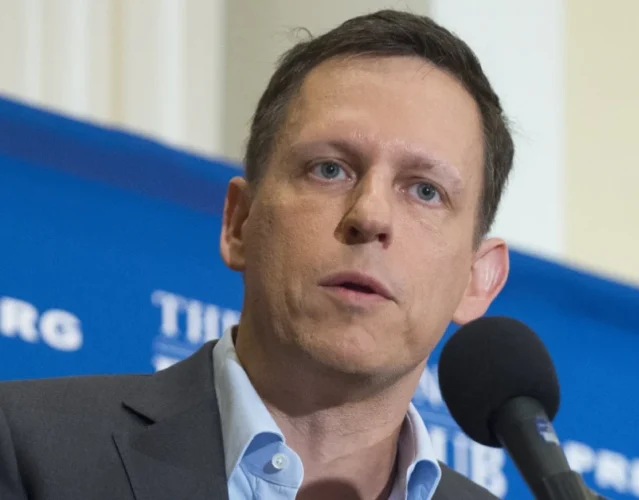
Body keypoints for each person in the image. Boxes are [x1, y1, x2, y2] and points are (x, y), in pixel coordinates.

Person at [0, 9, 514, 500]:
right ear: (239, 222)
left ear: (477, 280)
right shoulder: (29, 450)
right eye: (330, 169)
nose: (371, 216)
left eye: (425, 191)